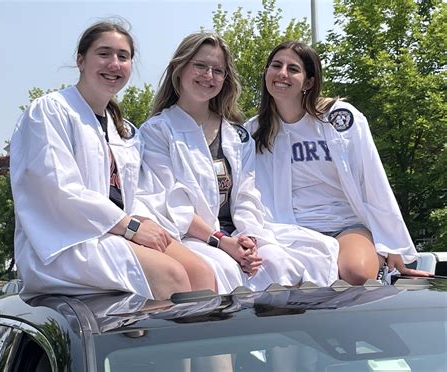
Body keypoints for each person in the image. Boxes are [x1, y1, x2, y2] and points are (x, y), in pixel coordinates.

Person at [9, 20, 216, 301]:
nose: (114, 64)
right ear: (80, 60)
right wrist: (130, 227)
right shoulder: (51, 111)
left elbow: (135, 194)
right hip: (68, 241)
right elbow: (58, 189)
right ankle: (165, 346)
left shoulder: (124, 129)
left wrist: (147, 223)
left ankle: (202, 346)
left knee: (201, 272)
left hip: (117, 232)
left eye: (123, 56)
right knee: (171, 275)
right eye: (104, 54)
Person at [139, 32, 339, 293]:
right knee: (223, 270)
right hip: (192, 237)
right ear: (179, 68)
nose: (208, 76)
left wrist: (249, 239)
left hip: (238, 234)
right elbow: (172, 205)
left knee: (291, 259)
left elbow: (247, 196)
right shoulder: (157, 131)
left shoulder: (236, 135)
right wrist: (223, 242)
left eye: (217, 70)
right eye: (200, 66)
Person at [245, 41, 431, 285]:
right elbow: (244, 194)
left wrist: (392, 245)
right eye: (276, 65)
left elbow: (372, 179)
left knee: (357, 274)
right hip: (287, 232)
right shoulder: (252, 132)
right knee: (271, 275)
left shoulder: (338, 119)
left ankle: (376, 261)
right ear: (266, 73)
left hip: (345, 226)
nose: (282, 73)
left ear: (309, 82)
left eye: (293, 69)